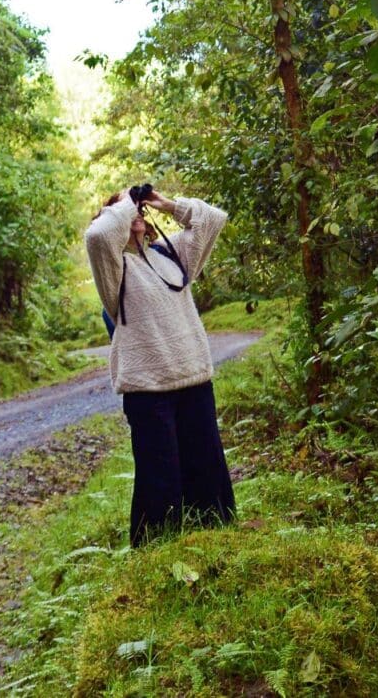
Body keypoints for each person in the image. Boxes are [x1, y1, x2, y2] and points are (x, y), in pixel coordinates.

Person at [85, 186, 236, 546]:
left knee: (207, 469)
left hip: (193, 377)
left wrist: (165, 203)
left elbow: (212, 219)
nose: (134, 208)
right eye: (125, 205)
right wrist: (124, 203)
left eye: (137, 205)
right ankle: (156, 553)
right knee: (160, 478)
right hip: (148, 389)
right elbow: (98, 235)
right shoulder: (114, 268)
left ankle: (215, 542)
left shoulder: (170, 254)